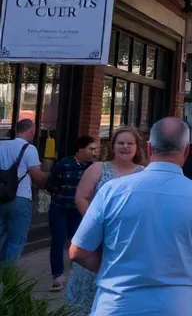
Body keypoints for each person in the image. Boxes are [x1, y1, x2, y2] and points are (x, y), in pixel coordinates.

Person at [69, 117, 192, 315]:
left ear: (149, 148)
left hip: (115, 303)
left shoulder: (112, 190)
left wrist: (111, 272)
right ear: (186, 151)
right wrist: (182, 285)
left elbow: (78, 252)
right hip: (173, 305)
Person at [66, 126, 145, 313]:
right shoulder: (98, 168)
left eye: (129, 143)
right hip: (96, 240)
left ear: (137, 147)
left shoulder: (144, 174)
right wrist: (95, 225)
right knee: (86, 296)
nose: (125, 147)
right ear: (113, 146)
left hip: (128, 242)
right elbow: (81, 197)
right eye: (121, 143)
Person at [46, 135, 98, 291]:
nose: (94, 152)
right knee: (58, 240)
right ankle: (58, 277)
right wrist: (62, 193)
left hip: (79, 212)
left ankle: (78, 276)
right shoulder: (64, 164)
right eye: (91, 149)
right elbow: (51, 184)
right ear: (80, 149)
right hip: (60, 208)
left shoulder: (93, 167)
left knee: (79, 244)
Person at [0, 117, 47, 262]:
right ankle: (8, 278)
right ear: (30, 131)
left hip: (1, 197)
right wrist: (50, 177)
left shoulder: (1, 145)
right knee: (16, 240)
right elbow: (36, 175)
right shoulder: (29, 148)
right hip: (20, 198)